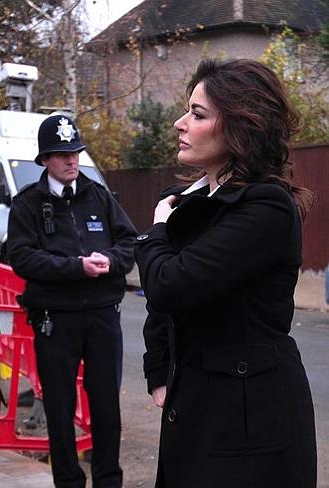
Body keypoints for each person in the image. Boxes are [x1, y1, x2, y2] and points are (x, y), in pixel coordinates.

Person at [135, 58, 316, 488]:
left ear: (239, 127)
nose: (180, 123)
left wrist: (156, 229)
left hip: (250, 424)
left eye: (197, 114)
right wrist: (158, 371)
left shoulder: (266, 207)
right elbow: (165, 310)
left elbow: (169, 284)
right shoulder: (190, 200)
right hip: (197, 407)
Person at [7, 114, 137, 488]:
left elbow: (129, 242)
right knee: (60, 409)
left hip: (101, 317)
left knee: (106, 407)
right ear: (45, 159)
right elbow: (23, 257)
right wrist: (75, 267)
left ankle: (109, 480)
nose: (71, 160)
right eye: (62, 154)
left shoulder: (98, 196)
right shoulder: (28, 204)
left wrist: (110, 261)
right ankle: (68, 481)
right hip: (55, 319)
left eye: (75, 152)